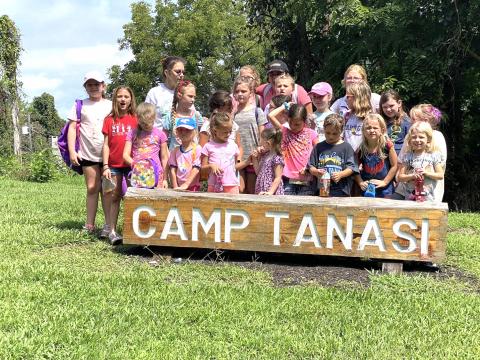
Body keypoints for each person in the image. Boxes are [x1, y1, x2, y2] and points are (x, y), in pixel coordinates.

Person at [67, 71, 112, 235]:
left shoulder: (111, 105)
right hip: (87, 154)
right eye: (89, 85)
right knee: (92, 188)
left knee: (107, 190)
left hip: (109, 155)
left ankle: (109, 225)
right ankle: (89, 225)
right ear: (85, 87)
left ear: (103, 86)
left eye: (96, 84)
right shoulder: (80, 105)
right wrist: (73, 151)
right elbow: (72, 128)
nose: (93, 87)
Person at [101, 86, 137, 244]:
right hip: (114, 165)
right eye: (119, 96)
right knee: (114, 196)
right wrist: (105, 166)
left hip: (131, 164)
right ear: (115, 99)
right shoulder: (109, 120)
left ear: (131, 100)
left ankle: (133, 230)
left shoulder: (136, 119)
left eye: (126, 97)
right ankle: (113, 231)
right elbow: (106, 145)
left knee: (132, 197)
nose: (123, 99)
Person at [268, 103, 318, 195]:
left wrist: (309, 166)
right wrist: (284, 106)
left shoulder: (312, 134)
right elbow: (270, 116)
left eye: (297, 124)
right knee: (288, 206)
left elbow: (318, 152)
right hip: (288, 178)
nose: (293, 126)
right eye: (290, 122)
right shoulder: (284, 131)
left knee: (304, 206)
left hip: (307, 179)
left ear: (304, 121)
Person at [392, 122, 444, 202]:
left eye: (421, 137)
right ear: (409, 139)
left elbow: (440, 175)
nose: (417, 140)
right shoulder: (407, 156)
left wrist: (426, 173)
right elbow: (400, 177)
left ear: (428, 139)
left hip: (428, 198)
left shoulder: (433, 155)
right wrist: (412, 176)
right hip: (410, 197)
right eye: (414, 137)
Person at [308, 114, 357, 197]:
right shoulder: (318, 147)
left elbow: (352, 167)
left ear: (341, 131)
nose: (331, 136)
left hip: (341, 191)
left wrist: (341, 174)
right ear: (323, 129)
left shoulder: (346, 147)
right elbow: (311, 166)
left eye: (335, 134)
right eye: (328, 133)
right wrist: (316, 172)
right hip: (321, 189)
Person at [233, 76, 268, 194]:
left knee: (252, 190)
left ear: (251, 92)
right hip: (238, 158)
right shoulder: (233, 113)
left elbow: (263, 134)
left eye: (243, 91)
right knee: (240, 189)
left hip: (254, 157)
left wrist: (259, 150)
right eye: (237, 91)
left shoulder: (257, 111)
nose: (240, 94)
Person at [406, 103, 447, 201]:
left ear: (424, 121)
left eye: (413, 119)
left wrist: (425, 171)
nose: (410, 121)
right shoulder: (410, 136)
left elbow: (441, 163)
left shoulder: (437, 136)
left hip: (430, 186)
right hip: (411, 187)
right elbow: (405, 160)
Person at [201, 112, 250, 194]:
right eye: (225, 132)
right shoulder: (208, 146)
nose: (228, 134)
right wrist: (211, 166)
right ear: (215, 130)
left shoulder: (233, 145)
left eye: (230, 131)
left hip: (231, 185)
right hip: (214, 186)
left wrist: (247, 161)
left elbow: (234, 167)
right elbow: (202, 169)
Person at [123, 102, 169, 189]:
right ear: (138, 119)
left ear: (154, 118)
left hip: (156, 175)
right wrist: (135, 164)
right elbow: (125, 155)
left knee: (156, 201)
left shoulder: (160, 134)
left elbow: (164, 158)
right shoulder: (132, 133)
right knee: (139, 201)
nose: (147, 126)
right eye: (144, 124)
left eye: (150, 122)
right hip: (138, 174)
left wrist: (165, 179)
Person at [354, 114, 397, 198]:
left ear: (382, 130)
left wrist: (385, 182)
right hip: (367, 188)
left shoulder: (387, 146)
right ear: (363, 131)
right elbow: (354, 167)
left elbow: (394, 165)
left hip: (385, 188)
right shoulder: (361, 148)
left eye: (375, 128)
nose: (372, 130)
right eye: (368, 128)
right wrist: (360, 182)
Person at [145, 56, 186, 130]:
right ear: (167, 73)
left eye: (183, 72)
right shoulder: (154, 93)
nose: (182, 75)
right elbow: (146, 120)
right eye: (178, 72)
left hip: (180, 139)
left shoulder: (185, 93)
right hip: (158, 139)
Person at [163, 79, 202, 150]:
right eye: (190, 96)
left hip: (192, 157)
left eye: (194, 97)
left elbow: (200, 136)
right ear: (179, 95)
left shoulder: (196, 115)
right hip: (174, 158)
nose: (193, 100)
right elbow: (163, 140)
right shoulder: (170, 116)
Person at [168, 117, 202, 191]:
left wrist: (186, 184)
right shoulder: (175, 151)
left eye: (187, 130)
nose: (183, 132)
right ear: (176, 132)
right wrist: (175, 186)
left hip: (193, 187)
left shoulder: (197, 149)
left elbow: (196, 169)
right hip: (178, 187)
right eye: (180, 130)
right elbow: (172, 170)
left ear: (194, 132)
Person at [251, 128, 284, 195]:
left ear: (268, 143)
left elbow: (278, 177)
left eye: (261, 141)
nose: (260, 144)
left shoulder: (276, 158)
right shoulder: (265, 156)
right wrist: (254, 158)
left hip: (271, 193)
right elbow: (258, 172)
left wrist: (270, 192)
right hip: (262, 190)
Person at [343, 81, 373, 153]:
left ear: (357, 97)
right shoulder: (347, 116)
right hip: (347, 157)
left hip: (363, 157)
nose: (345, 99)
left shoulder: (370, 118)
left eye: (348, 96)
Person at [379, 90, 411, 155]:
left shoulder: (406, 122)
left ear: (399, 103)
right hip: (382, 159)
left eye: (391, 106)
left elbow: (410, 145)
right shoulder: (379, 121)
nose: (388, 109)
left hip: (400, 160)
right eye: (385, 107)